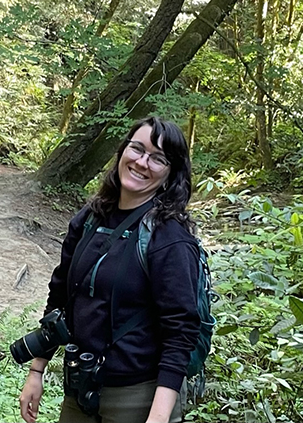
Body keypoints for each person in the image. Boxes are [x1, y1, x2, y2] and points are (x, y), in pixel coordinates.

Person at [19, 116, 201, 423]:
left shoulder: (169, 238)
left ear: (171, 173)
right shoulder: (91, 218)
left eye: (158, 158)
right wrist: (37, 369)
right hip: (80, 391)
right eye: (137, 149)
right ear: (122, 151)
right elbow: (60, 295)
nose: (142, 162)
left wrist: (156, 418)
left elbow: (180, 332)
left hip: (139, 399)